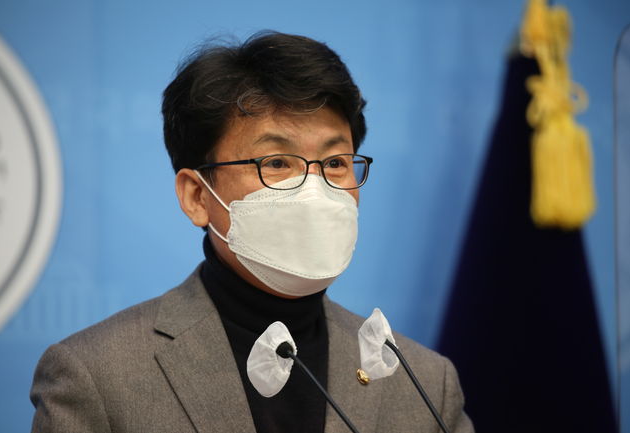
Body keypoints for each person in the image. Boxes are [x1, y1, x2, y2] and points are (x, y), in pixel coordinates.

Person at [30, 31, 474, 433]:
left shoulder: (424, 382)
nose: (314, 189)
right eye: (276, 163)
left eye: (336, 163)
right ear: (197, 196)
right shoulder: (97, 376)